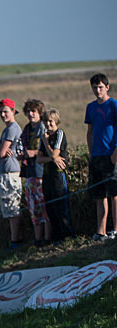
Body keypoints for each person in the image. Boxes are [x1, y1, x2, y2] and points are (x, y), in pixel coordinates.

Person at [84, 73, 117, 241]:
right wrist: (91, 152)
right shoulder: (90, 107)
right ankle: (101, 230)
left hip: (111, 155)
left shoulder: (114, 105)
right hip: (96, 156)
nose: (97, 90)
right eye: (94, 87)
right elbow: (89, 132)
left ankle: (116, 229)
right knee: (99, 195)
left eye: (100, 87)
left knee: (114, 193)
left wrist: (115, 153)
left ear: (107, 87)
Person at [38, 109, 75, 242]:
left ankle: (68, 236)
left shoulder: (59, 134)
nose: (48, 125)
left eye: (50, 121)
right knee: (50, 208)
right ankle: (57, 237)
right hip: (47, 176)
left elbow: (54, 154)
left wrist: (47, 144)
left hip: (58, 176)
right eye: (45, 122)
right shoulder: (44, 136)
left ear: (56, 122)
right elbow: (39, 159)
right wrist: (52, 158)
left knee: (61, 207)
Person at [0, 98, 23, 248]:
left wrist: (0, 150)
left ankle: (16, 240)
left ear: (13, 111)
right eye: (1, 112)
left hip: (11, 171)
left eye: (5, 111)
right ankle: (14, 239)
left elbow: (1, 151)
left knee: (12, 207)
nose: (3, 115)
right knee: (9, 207)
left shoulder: (12, 128)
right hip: (6, 171)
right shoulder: (7, 129)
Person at [19, 99, 50, 246]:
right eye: (28, 112)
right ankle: (38, 240)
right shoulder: (26, 129)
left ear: (39, 113)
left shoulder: (43, 128)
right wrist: (22, 154)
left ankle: (47, 238)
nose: (31, 114)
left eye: (34, 112)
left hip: (41, 172)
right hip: (29, 172)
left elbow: (48, 149)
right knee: (33, 208)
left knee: (45, 208)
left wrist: (35, 153)